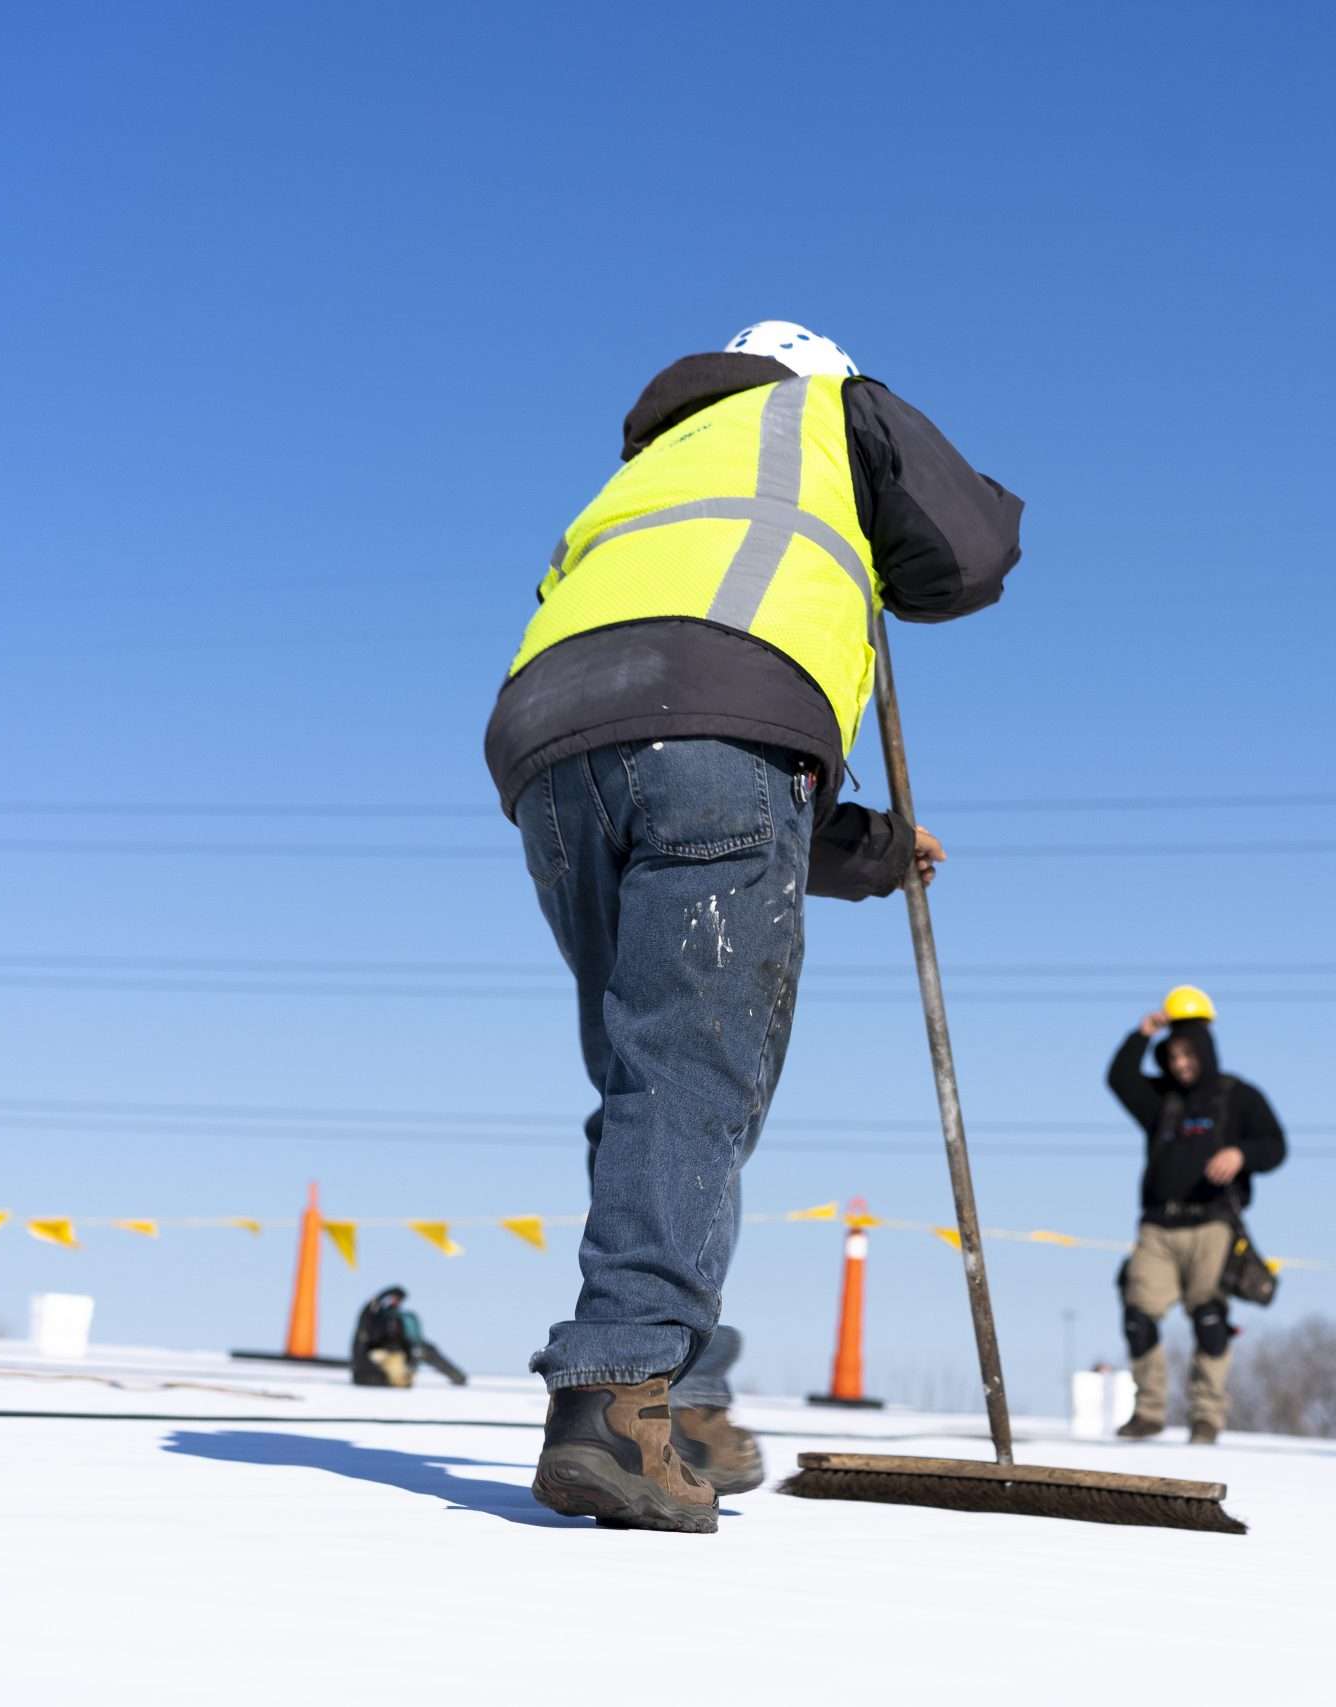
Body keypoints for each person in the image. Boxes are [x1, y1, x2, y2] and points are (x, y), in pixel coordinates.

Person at [486, 320, 1023, 1532]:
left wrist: (872, 850)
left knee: (651, 1078)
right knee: (689, 1081)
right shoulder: (828, 410)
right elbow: (972, 555)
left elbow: (683, 751)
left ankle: (683, 1394)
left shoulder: (658, 462)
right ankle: (621, 1398)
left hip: (552, 743)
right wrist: (883, 534)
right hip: (717, 728)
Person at [1105, 985, 1287, 1444]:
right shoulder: (1161, 1100)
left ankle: (1206, 1417)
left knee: (1209, 1317)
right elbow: (1119, 1078)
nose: (1181, 1064)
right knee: (1138, 1314)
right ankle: (1148, 1412)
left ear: (1205, 1051)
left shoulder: (1238, 1096)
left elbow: (1276, 1145)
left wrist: (1241, 1154)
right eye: (1174, 1056)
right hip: (1158, 1225)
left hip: (1212, 1224)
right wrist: (1142, 1034)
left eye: (1189, 1055)